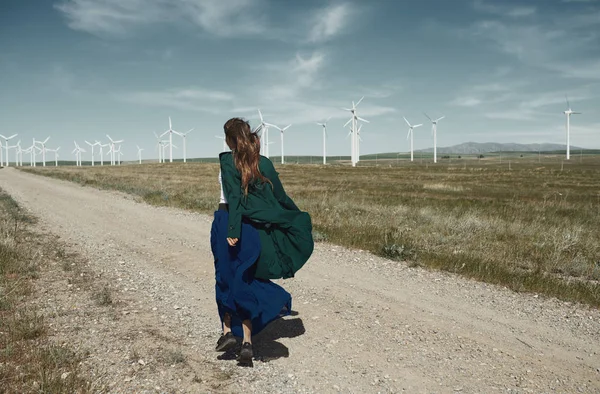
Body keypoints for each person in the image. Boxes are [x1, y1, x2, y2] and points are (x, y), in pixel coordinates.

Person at [210, 117, 314, 365]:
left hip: (227, 222)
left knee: (224, 276)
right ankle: (246, 341)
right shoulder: (263, 163)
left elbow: (233, 199)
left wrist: (232, 229)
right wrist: (293, 216)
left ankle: (227, 332)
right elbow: (280, 196)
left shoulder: (227, 161)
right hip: (252, 228)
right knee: (245, 277)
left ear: (229, 139)